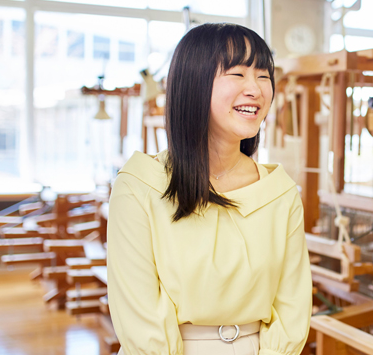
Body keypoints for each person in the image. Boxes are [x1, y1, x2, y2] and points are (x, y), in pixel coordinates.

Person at [107, 23, 312, 355]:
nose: (256, 89)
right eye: (237, 74)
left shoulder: (279, 192)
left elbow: (293, 308)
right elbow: (140, 321)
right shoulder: (139, 186)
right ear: (193, 84)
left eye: (263, 75)